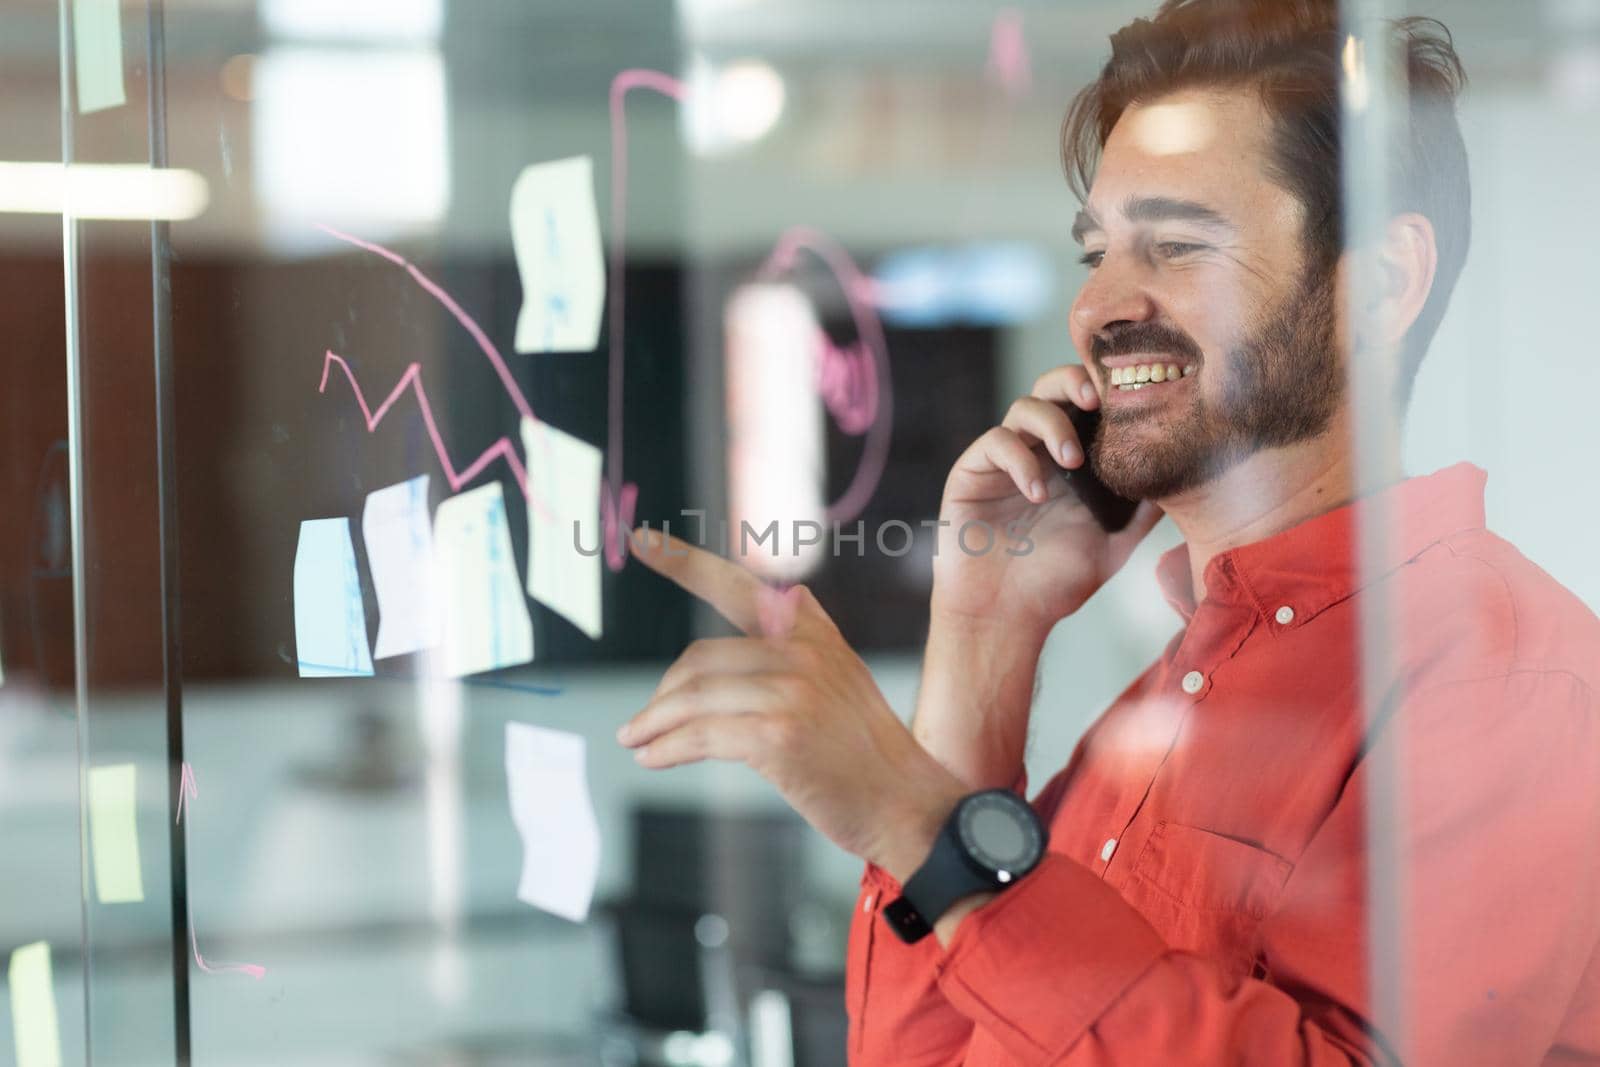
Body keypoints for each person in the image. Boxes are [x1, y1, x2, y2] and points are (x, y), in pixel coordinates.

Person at [618, 0, 1600, 1062]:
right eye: (1097, 251)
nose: (1098, 305)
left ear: (1381, 286)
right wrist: (985, 631)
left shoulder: (1503, 672)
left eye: (1176, 245)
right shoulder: (1174, 688)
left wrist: (917, 823)